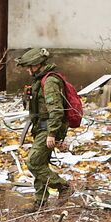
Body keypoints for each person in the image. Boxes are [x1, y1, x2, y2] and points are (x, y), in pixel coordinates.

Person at [17, 47, 79, 209]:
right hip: (41, 127)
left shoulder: (50, 81)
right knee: (41, 163)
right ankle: (40, 202)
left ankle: (63, 186)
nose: (28, 70)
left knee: (34, 163)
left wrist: (52, 134)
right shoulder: (40, 79)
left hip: (49, 128)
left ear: (38, 64)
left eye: (30, 66)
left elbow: (56, 110)